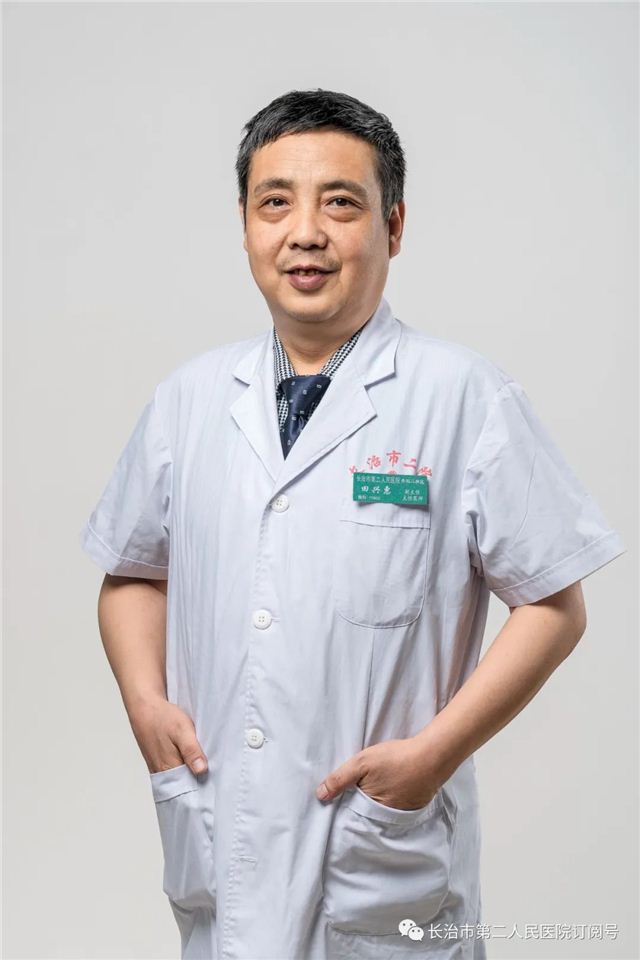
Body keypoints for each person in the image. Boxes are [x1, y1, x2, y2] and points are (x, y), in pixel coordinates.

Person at [79, 89, 626, 960]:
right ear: (245, 225)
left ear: (393, 225)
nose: (305, 233)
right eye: (275, 203)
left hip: (379, 852)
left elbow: (555, 606)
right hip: (223, 833)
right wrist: (145, 702)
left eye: (340, 203)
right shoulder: (189, 399)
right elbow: (133, 572)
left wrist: (433, 756)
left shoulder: (463, 396)